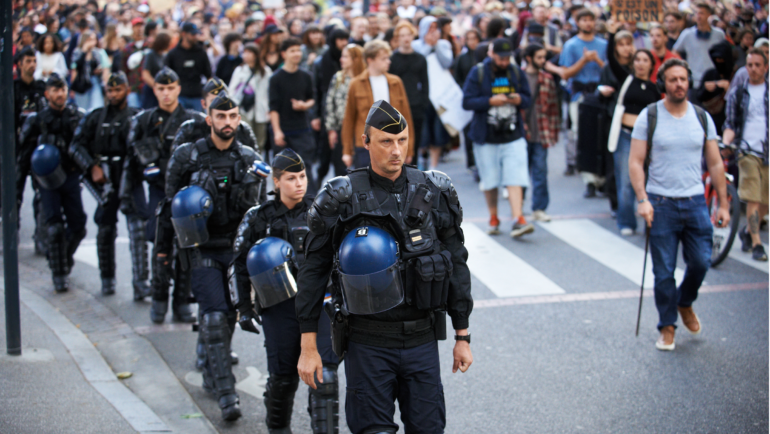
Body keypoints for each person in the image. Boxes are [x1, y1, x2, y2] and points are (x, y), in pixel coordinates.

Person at [296, 100, 473, 434]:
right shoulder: (341, 196)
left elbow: (457, 266)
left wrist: (462, 334)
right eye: (386, 142)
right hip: (369, 343)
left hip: (422, 341)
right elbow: (313, 271)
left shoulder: (434, 190)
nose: (396, 151)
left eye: (402, 141)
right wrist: (308, 347)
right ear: (365, 142)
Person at [164, 94, 263, 422]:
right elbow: (169, 207)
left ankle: (210, 363)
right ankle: (226, 393)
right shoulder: (187, 156)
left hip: (236, 250)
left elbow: (259, 213)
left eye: (233, 115)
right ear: (209, 119)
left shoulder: (248, 157)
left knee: (231, 315)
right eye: (221, 116)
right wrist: (163, 253)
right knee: (214, 315)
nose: (228, 122)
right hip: (202, 248)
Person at [232, 149, 340, 434]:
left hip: (320, 304)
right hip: (279, 308)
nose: (299, 183)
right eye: (291, 178)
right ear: (276, 182)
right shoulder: (259, 217)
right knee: (282, 379)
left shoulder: (322, 211)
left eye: (302, 176)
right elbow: (239, 265)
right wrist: (243, 308)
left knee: (325, 376)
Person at [628, 59, 730, 351]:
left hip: (696, 201)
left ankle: (685, 301)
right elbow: (635, 161)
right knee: (663, 272)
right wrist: (643, 199)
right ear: (663, 84)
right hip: (660, 203)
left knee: (700, 262)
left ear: (689, 81)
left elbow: (714, 162)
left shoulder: (701, 117)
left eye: (683, 79)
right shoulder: (650, 116)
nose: (679, 84)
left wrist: (722, 204)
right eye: (673, 79)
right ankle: (667, 326)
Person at [122, 67, 200, 323]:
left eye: (170, 88)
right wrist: (127, 195)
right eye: (161, 89)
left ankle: (181, 302)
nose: (166, 93)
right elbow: (131, 162)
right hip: (158, 193)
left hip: (186, 194)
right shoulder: (143, 121)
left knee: (187, 248)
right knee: (160, 248)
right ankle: (158, 300)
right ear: (154, 90)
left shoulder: (193, 121)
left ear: (178, 88)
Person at [68, 72, 148, 297]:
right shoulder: (95, 117)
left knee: (137, 230)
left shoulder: (136, 116)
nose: (113, 94)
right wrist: (92, 166)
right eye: (109, 90)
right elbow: (76, 146)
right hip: (105, 178)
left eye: (118, 90)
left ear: (126, 90)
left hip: (129, 176)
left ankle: (141, 282)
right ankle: (107, 278)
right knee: (105, 229)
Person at [16, 74, 86, 293]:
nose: (60, 94)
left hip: (71, 176)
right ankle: (59, 273)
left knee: (78, 226)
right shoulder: (37, 120)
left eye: (62, 89)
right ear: (47, 94)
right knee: (54, 227)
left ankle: (63, 258)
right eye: (55, 90)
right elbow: (24, 153)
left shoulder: (76, 117)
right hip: (47, 181)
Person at [463, 38, 534, 238]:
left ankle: (518, 218)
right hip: (486, 136)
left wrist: (519, 99)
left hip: (513, 134)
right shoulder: (478, 72)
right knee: (490, 180)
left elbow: (528, 98)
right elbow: (467, 102)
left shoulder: (516, 72)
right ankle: (493, 217)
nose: (504, 62)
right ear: (491, 54)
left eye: (507, 58)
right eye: (500, 58)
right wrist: (490, 101)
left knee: (516, 177)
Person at [606, 49, 660, 236]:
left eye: (645, 60)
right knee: (625, 180)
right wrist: (612, 33)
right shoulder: (626, 80)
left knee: (651, 180)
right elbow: (612, 59)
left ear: (651, 64)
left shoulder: (655, 88)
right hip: (625, 135)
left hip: (647, 139)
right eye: (637, 59)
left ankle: (650, 220)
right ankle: (626, 221)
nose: (641, 63)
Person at [723, 48, 769, 261]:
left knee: (766, 200)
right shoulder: (738, 93)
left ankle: (746, 232)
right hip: (746, 150)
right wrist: (726, 142)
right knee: (752, 195)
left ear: (766, 67)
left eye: (758, 65)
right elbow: (731, 123)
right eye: (749, 65)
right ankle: (757, 243)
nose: (753, 69)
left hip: (767, 151)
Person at [341, 40, 414, 170]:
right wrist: (347, 151)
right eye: (383, 58)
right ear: (370, 60)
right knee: (366, 186)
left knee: (392, 186)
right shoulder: (356, 83)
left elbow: (406, 116)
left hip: (393, 142)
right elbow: (349, 119)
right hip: (365, 146)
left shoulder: (395, 82)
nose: (388, 61)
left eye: (388, 58)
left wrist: (409, 148)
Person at [559, 8, 606, 180]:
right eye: (584, 20)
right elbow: (565, 73)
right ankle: (588, 178)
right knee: (582, 134)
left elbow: (609, 71)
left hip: (600, 93)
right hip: (579, 95)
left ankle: (600, 174)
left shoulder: (603, 45)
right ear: (577, 23)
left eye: (590, 19)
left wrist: (597, 60)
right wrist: (584, 60)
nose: (588, 23)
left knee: (600, 133)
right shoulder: (571, 45)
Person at [269, 38, 318, 193]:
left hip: (303, 129)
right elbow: (273, 108)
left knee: (306, 169)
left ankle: (312, 207)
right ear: (284, 54)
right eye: (292, 51)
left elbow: (312, 98)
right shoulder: (276, 78)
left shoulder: (306, 76)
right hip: (284, 131)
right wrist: (277, 131)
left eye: (298, 50)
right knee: (282, 172)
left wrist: (305, 105)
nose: (297, 54)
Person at [13, 47, 47, 256]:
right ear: (19, 64)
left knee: (41, 193)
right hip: (17, 148)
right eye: (28, 61)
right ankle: (11, 233)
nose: (32, 65)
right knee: (13, 194)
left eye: (34, 61)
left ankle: (40, 237)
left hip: (38, 148)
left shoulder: (41, 88)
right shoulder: (12, 88)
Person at [522, 44, 560, 223]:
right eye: (539, 57)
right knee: (520, 174)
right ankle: (518, 208)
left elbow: (553, 106)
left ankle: (539, 208)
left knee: (540, 172)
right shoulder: (519, 76)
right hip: (521, 133)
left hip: (541, 132)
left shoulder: (547, 78)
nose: (543, 61)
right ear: (529, 58)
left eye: (544, 57)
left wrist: (553, 133)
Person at [412, 16, 453, 170]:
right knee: (423, 131)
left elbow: (447, 62)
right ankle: (423, 158)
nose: (433, 32)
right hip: (422, 92)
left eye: (435, 28)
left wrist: (436, 46)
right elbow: (418, 61)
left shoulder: (444, 44)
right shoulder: (415, 45)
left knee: (437, 130)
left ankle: (434, 166)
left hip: (440, 93)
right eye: (430, 28)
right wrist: (429, 46)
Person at [389, 21, 430, 167]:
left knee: (415, 140)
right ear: (397, 38)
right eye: (402, 35)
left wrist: (422, 102)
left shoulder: (420, 58)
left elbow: (425, 83)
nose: (406, 38)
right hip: (397, 106)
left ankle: (413, 172)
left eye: (408, 35)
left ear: (413, 36)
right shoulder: (392, 59)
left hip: (416, 105)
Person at [314, 28, 351, 183]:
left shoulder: (352, 71)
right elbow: (318, 91)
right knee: (325, 155)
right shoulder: (323, 61)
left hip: (345, 122)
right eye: (340, 39)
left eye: (345, 39)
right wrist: (316, 115)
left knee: (341, 160)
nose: (343, 43)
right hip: (328, 114)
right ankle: (318, 183)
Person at [325, 44, 365, 179]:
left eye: (345, 56)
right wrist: (331, 129)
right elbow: (330, 104)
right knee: (341, 166)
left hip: (361, 128)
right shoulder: (338, 78)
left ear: (355, 59)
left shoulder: (364, 79)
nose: (341, 59)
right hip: (342, 127)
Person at [672, 2, 725, 102]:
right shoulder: (687, 34)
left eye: (701, 13)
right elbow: (675, 52)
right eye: (696, 13)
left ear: (709, 15)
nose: (698, 16)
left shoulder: (719, 34)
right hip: (694, 82)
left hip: (713, 82)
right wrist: (683, 67)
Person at [230, 43, 272, 154]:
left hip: (261, 108)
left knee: (260, 139)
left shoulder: (265, 71)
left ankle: (258, 159)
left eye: (249, 52)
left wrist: (269, 109)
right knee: (245, 136)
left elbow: (269, 91)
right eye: (244, 52)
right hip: (244, 108)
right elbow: (232, 90)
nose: (246, 55)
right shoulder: (240, 70)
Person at [165, 22, 212, 112]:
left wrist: (209, 95)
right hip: (179, 96)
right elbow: (168, 76)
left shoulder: (201, 53)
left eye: (196, 34)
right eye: (192, 34)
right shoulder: (173, 54)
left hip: (197, 96)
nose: (195, 37)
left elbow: (208, 75)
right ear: (184, 34)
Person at [454, 29, 482, 178]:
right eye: (469, 39)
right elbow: (457, 77)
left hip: (481, 98)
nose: (472, 42)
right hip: (466, 98)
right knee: (468, 131)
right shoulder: (461, 58)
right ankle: (471, 162)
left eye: (474, 38)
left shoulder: (482, 57)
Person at [696, 40, 734, 135]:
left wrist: (729, 89)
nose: (719, 62)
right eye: (716, 59)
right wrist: (707, 90)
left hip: (729, 120)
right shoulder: (710, 74)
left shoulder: (735, 76)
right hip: (711, 119)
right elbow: (699, 97)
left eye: (721, 59)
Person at [71, 30, 108, 112]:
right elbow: (75, 68)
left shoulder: (99, 52)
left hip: (95, 82)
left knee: (97, 108)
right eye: (89, 39)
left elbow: (105, 69)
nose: (92, 42)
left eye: (94, 39)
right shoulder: (77, 52)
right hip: (81, 83)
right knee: (82, 110)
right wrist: (84, 51)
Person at [140, 31, 171, 109]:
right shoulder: (151, 55)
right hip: (151, 90)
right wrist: (157, 87)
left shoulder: (164, 55)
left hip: (161, 91)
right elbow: (145, 74)